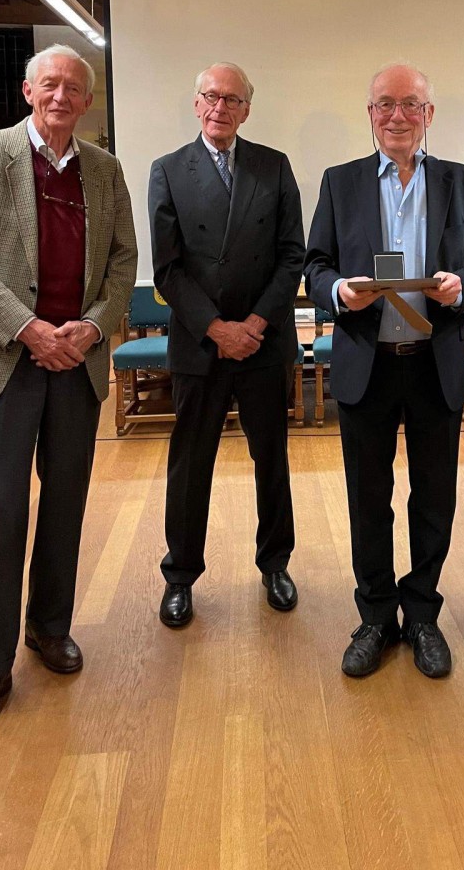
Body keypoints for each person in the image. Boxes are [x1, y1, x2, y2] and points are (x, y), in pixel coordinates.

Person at [0, 44, 137, 739]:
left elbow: (123, 262)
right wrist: (29, 330)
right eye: (50, 83)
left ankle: (48, 630)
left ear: (87, 102)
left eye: (74, 88)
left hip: (75, 363)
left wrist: (89, 327)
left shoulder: (106, 171)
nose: (61, 96)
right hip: (6, 363)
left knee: (64, 507)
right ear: (28, 90)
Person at [304, 62, 464, 679]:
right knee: (368, 498)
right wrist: (338, 291)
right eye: (384, 104)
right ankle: (375, 616)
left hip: (433, 363)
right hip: (368, 363)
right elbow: (315, 265)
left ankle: (421, 615)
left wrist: (459, 286)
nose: (396, 115)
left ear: (428, 116)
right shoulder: (341, 183)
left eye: (410, 104)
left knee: (433, 497)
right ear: (370, 116)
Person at [149, 62, 304, 628]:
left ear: (246, 109)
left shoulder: (274, 166)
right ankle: (181, 575)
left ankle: (275, 564)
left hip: (264, 343)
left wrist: (255, 325)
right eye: (211, 96)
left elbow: (292, 256)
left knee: (273, 461)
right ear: (196, 104)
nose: (220, 106)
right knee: (191, 465)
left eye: (232, 99)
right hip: (200, 344)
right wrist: (217, 329)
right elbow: (167, 269)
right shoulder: (167, 171)